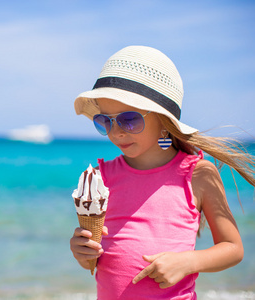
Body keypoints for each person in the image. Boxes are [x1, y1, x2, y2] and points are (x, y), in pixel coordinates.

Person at [69, 45, 255, 299]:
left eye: (129, 119)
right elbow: (96, 263)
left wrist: (187, 262)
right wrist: (83, 253)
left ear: (163, 119)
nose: (116, 132)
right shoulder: (102, 177)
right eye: (105, 121)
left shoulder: (198, 174)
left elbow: (233, 248)